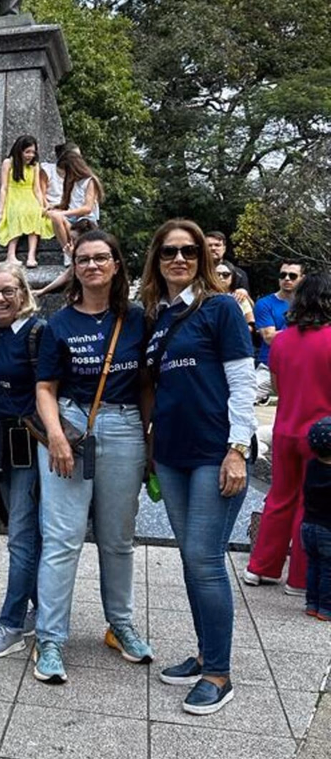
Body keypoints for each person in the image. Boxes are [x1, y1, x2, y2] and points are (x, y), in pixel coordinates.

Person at [140, 219, 256, 715]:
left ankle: (219, 674)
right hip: (172, 455)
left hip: (215, 452)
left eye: (188, 251)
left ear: (202, 258)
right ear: (157, 259)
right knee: (191, 558)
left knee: (206, 560)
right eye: (169, 251)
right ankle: (206, 653)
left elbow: (244, 382)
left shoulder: (220, 308)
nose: (179, 259)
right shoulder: (158, 317)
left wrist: (237, 449)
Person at [32, 229, 152, 685]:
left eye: (101, 258)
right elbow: (45, 387)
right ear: (74, 269)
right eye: (83, 259)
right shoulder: (58, 324)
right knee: (62, 539)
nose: (92, 266)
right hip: (71, 424)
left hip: (124, 427)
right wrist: (56, 437)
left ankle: (120, 624)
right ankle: (50, 638)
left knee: (118, 538)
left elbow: (146, 383)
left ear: (116, 265)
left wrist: (150, 438)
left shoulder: (138, 319)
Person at [246, 272, 331, 595]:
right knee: (312, 505)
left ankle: (261, 567)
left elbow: (278, 387)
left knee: (279, 498)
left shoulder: (281, 340)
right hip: (322, 436)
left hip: (285, 428)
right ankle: (300, 578)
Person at [0, 264, 42, 658]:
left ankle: (11, 623)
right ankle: (41, 605)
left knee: (20, 535)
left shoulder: (36, 333)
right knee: (21, 532)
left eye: (7, 291)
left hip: (26, 446)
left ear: (23, 293)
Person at [0, 135, 53, 268]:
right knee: (17, 213)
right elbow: (3, 188)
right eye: (27, 152)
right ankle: (10, 255)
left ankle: (31, 256)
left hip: (29, 196)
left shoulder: (35, 165)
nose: (30, 155)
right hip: (14, 195)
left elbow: (37, 189)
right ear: (19, 150)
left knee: (34, 213)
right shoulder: (8, 163)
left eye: (33, 152)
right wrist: (1, 211)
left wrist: (41, 206)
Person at [253, 262, 304, 404]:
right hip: (269, 366)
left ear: (302, 278)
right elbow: (269, 338)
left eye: (292, 276)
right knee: (244, 398)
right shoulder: (265, 303)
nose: (287, 279)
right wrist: (304, 328)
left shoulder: (309, 304)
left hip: (302, 366)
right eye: (283, 275)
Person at [302, 416, 331, 621]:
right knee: (329, 569)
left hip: (308, 525)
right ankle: (326, 608)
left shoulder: (311, 466)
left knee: (313, 565)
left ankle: (311, 603)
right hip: (328, 528)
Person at [46, 151, 102, 254]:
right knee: (55, 216)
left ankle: (73, 249)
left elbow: (87, 208)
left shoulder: (89, 181)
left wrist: (64, 213)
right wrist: (54, 207)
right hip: (71, 218)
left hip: (85, 219)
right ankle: (67, 250)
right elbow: (66, 203)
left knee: (60, 217)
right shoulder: (70, 181)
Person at [215, 260, 255, 333]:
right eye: (217, 274)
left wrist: (237, 330)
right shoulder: (204, 296)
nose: (221, 277)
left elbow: (251, 324)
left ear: (233, 277)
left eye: (225, 274)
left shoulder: (239, 296)